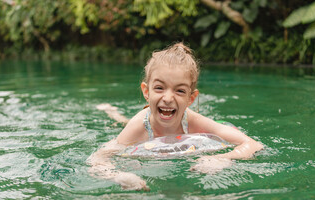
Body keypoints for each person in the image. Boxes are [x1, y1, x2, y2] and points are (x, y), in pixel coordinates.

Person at [88, 42, 263, 191]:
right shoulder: (137, 127)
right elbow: (97, 159)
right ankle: (112, 112)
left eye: (179, 91)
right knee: (122, 122)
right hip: (143, 126)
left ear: (190, 98)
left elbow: (252, 144)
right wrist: (120, 176)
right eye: (159, 88)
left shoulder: (193, 122)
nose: (168, 98)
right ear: (146, 92)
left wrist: (221, 159)